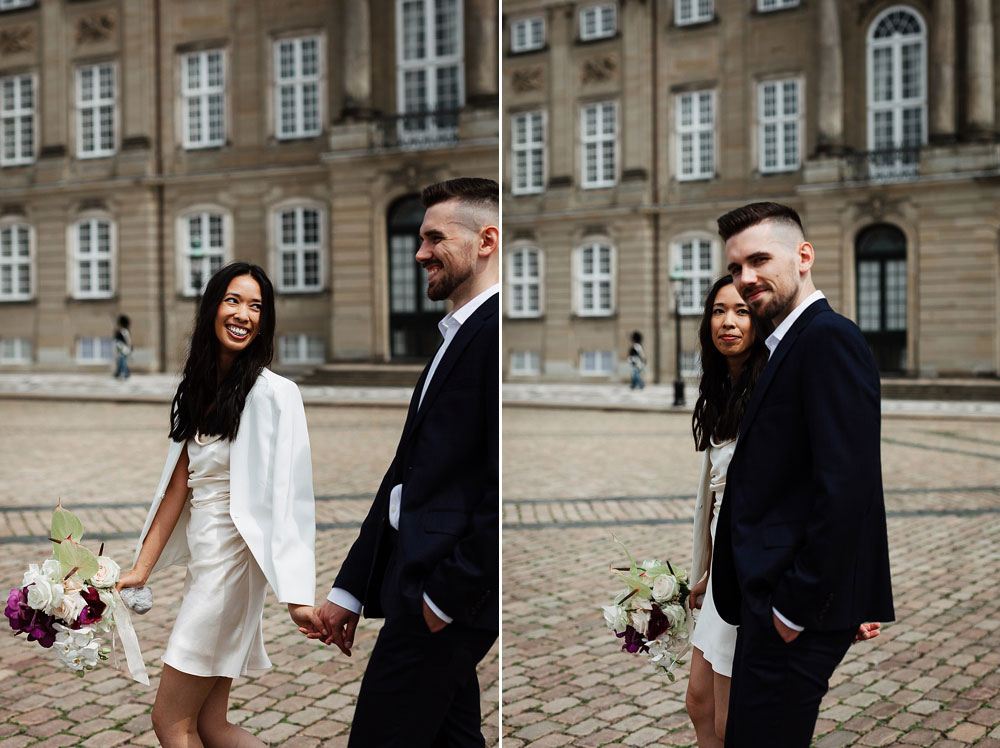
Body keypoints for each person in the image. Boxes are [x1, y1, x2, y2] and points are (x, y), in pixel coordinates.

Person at [306, 178, 499, 747]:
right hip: (418, 584)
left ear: (487, 240)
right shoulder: (454, 336)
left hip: (440, 597)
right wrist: (349, 590)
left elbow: (497, 481)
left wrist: (447, 596)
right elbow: (406, 475)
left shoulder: (493, 337)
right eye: (419, 238)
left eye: (435, 238)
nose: (419, 253)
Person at [710, 203, 894, 747]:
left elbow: (847, 485)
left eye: (760, 260)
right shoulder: (785, 343)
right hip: (769, 602)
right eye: (737, 266)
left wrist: (795, 606)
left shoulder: (828, 338)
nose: (746, 280)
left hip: (793, 610)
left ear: (804, 256)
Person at [118, 262, 323, 748]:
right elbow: (177, 489)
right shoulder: (197, 388)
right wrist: (140, 570)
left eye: (256, 306)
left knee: (170, 721)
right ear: (212, 307)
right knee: (210, 725)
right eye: (233, 300)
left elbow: (293, 497)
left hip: (230, 569)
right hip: (207, 564)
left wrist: (296, 596)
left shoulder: (277, 395)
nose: (243, 314)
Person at [113, 315, 132, 379]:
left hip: (123, 348)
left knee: (122, 361)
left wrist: (128, 348)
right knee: (120, 361)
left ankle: (125, 373)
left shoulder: (124, 331)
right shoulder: (120, 331)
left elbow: (128, 340)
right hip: (120, 348)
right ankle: (119, 373)